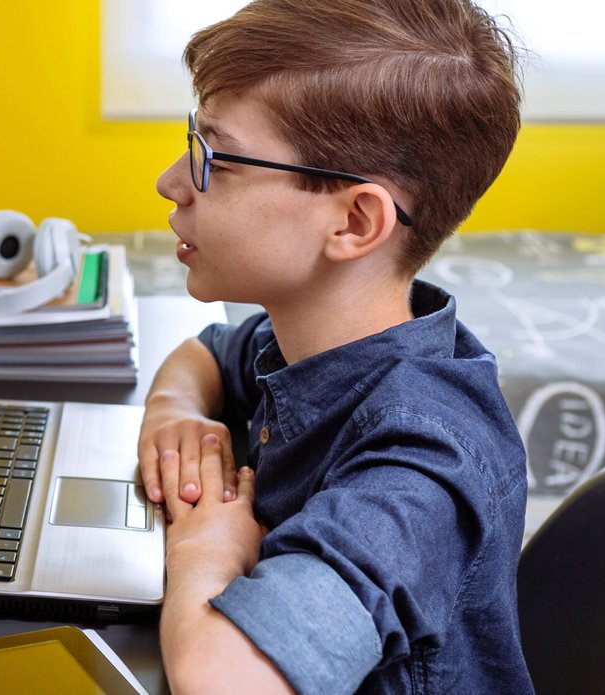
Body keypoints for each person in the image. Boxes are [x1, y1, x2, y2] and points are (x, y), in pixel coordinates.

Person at [138, 0, 530, 693]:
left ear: (354, 221)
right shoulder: (313, 341)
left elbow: (223, 679)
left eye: (215, 161)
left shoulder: (422, 466)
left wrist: (205, 550)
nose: (172, 182)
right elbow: (204, 353)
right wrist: (177, 416)